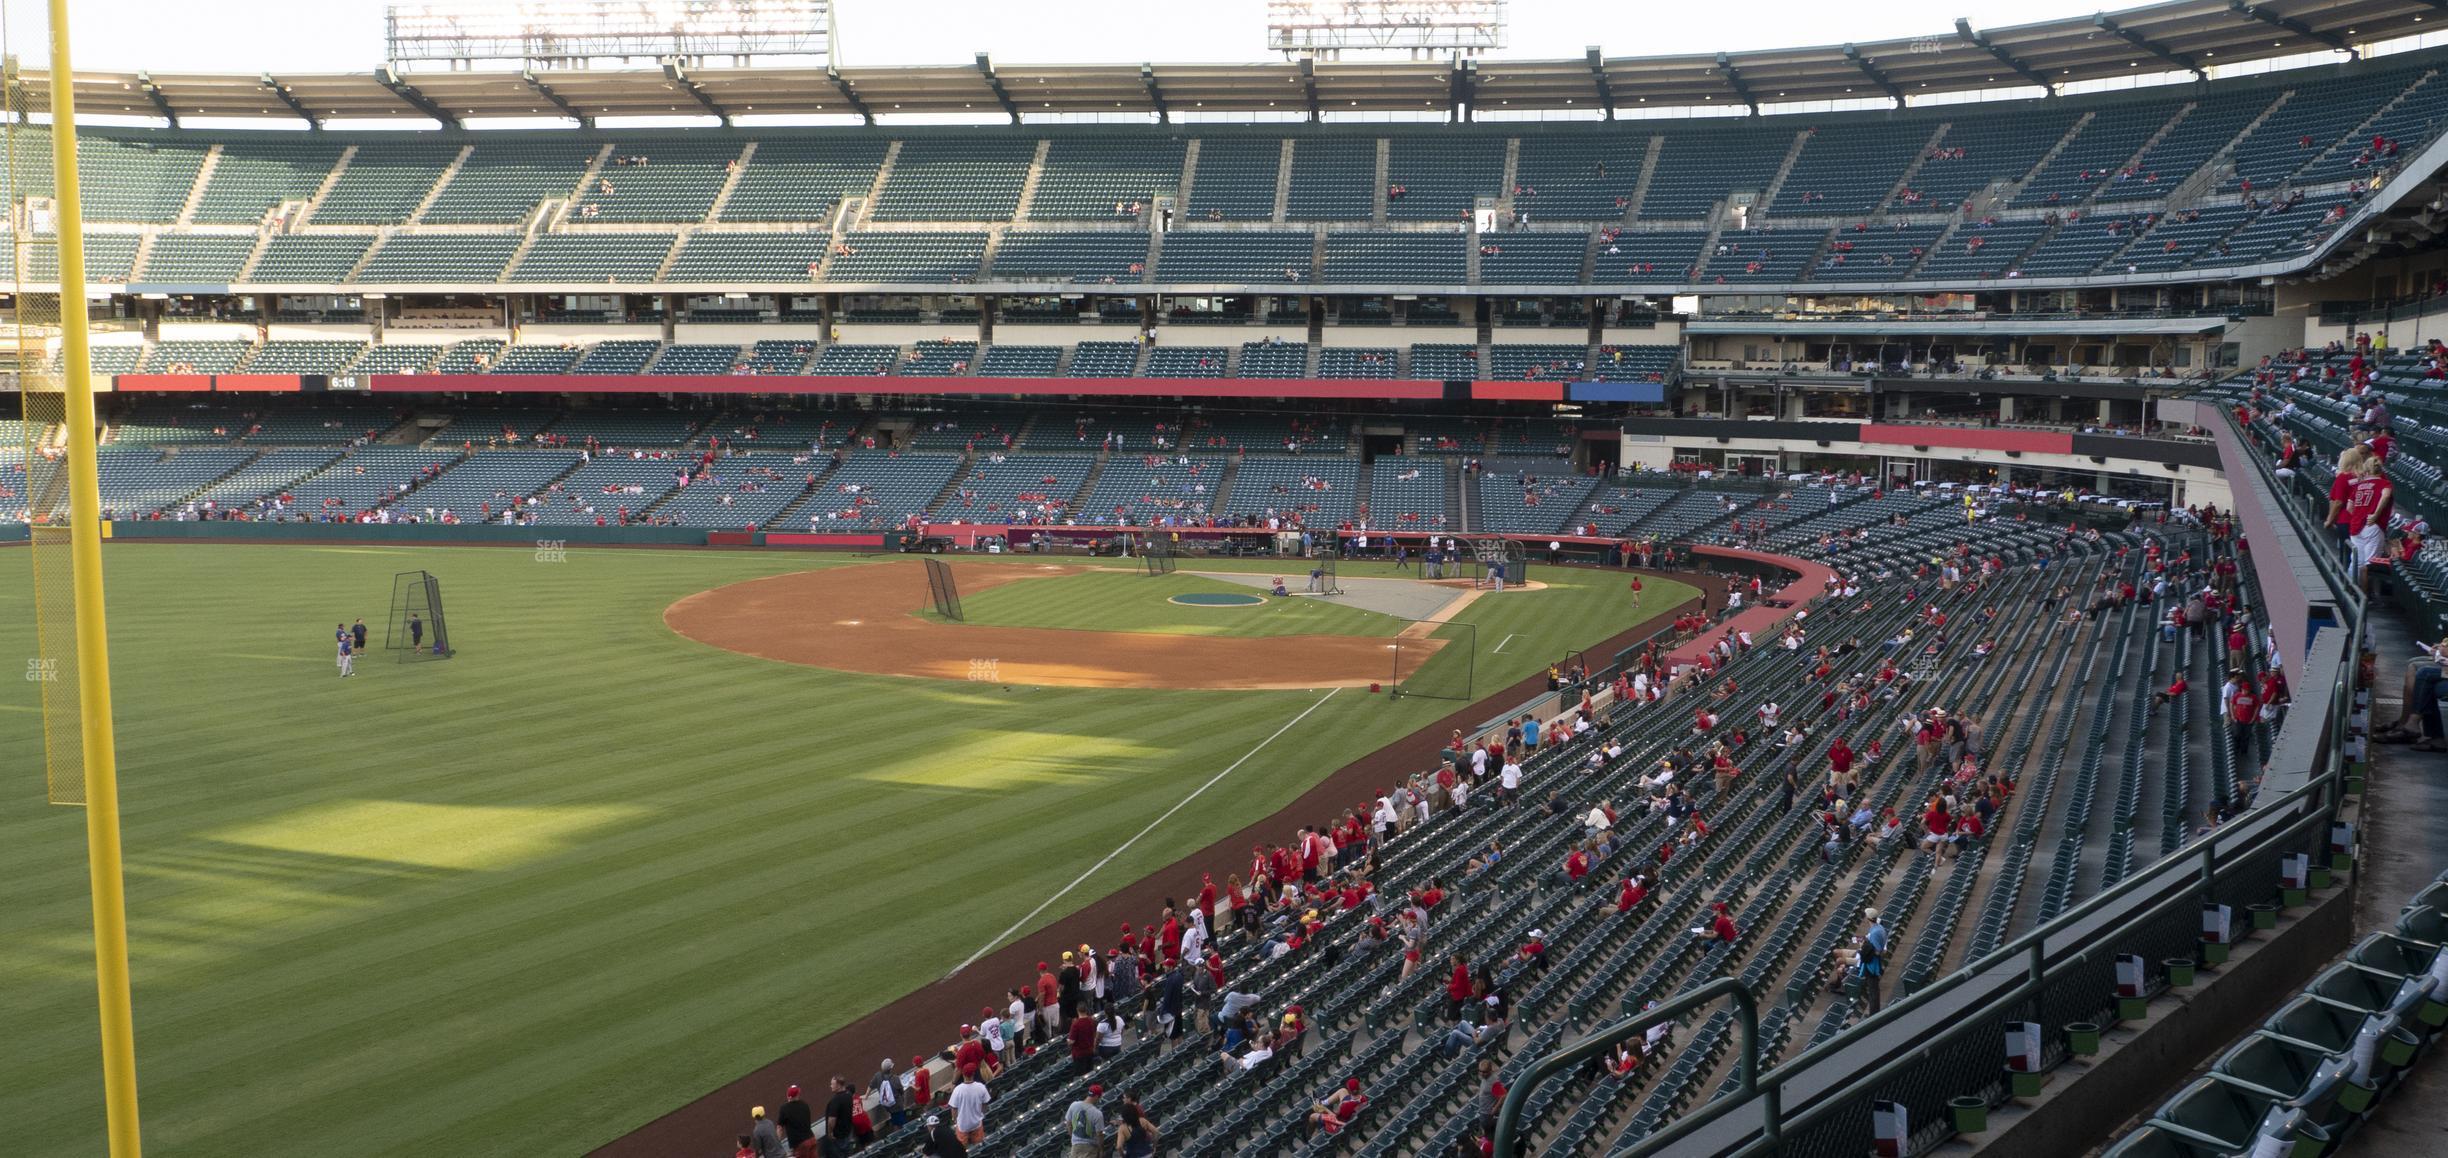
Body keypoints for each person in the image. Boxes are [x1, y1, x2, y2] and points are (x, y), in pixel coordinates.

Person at [948, 1068, 991, 1147]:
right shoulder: (981, 1086)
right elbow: (985, 1104)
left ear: (963, 1075)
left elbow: (953, 1108)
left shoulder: (958, 1090)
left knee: (962, 1150)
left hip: (963, 1126)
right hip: (977, 1123)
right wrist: (982, 1114)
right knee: (978, 1148)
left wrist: (954, 1120)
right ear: (973, 1074)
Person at [1063, 1085, 1107, 1158]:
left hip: (1075, 1146)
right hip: (1090, 1148)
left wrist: (1073, 1137)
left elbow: (1068, 1124)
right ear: (1096, 1096)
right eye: (1100, 1096)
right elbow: (1100, 1134)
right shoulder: (1097, 1113)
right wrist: (1101, 1150)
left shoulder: (1073, 1105)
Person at [1860, 909, 1889, 1013]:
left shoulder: (1876, 932)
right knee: (1873, 989)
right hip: (1873, 962)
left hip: (1873, 963)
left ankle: (1874, 1013)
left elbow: (1877, 951)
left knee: (1873, 990)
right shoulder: (1878, 927)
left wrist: (1864, 947)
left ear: (1868, 918)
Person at [776, 1085, 816, 1150]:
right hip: (811, 1139)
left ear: (788, 1095)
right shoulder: (804, 1104)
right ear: (797, 1094)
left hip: (800, 1145)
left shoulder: (784, 1109)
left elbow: (779, 1128)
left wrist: (777, 1144)